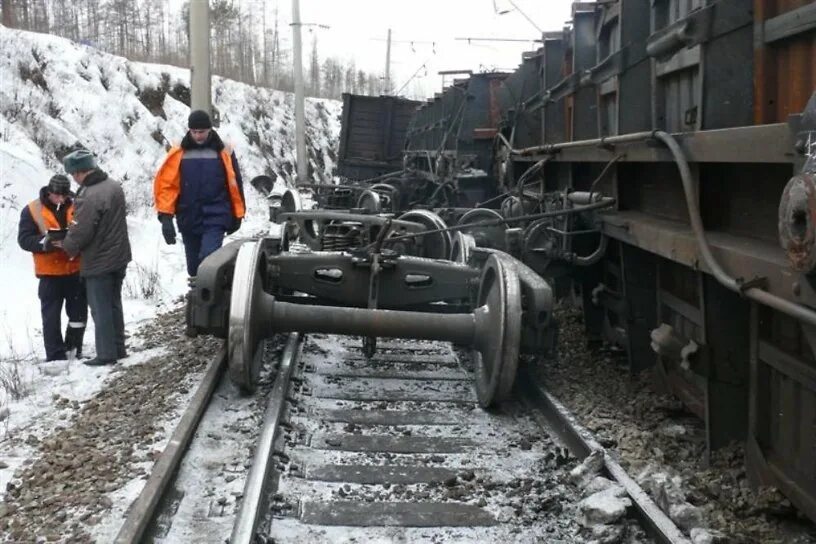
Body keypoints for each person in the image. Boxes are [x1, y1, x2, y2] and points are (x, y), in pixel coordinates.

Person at [153, 109, 245, 277]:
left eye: (201, 132)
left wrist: (237, 214)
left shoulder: (224, 151)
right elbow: (168, 186)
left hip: (216, 217)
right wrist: (165, 217)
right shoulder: (179, 152)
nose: (198, 136)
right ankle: (199, 298)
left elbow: (234, 184)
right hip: (189, 217)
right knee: (194, 269)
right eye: (194, 132)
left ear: (210, 130)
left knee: (208, 261)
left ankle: (213, 299)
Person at [62, 149, 132, 366]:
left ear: (80, 172)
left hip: (99, 259)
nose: (73, 178)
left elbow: (81, 230)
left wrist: (66, 245)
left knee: (100, 308)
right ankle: (118, 348)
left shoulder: (89, 195)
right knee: (113, 304)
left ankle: (106, 353)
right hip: (119, 255)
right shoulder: (112, 185)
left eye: (73, 173)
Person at [17, 175, 88, 362]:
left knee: (78, 314)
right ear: (49, 193)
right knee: (51, 318)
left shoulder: (77, 205)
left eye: (65, 196)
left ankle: (73, 349)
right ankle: (55, 356)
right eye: (58, 196)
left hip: (75, 270)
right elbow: (23, 240)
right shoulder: (32, 210)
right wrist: (45, 243)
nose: (62, 200)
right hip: (49, 274)